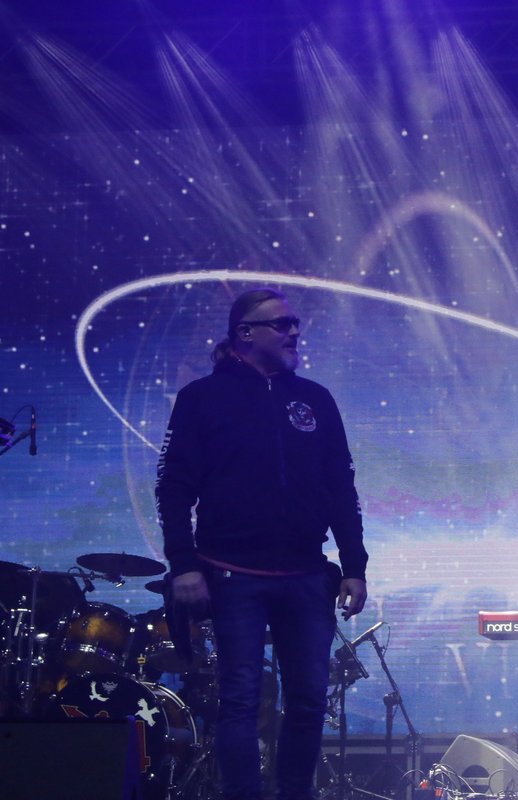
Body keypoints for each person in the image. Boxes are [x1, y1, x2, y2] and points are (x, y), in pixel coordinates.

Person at [155, 287, 369, 800]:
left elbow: (341, 486)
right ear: (245, 333)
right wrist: (184, 564)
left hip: (306, 574)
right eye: (281, 323)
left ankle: (295, 794)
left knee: (309, 700)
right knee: (240, 700)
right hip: (232, 574)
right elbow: (174, 486)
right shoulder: (201, 398)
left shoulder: (315, 399)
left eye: (296, 323)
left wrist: (353, 565)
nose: (294, 331)